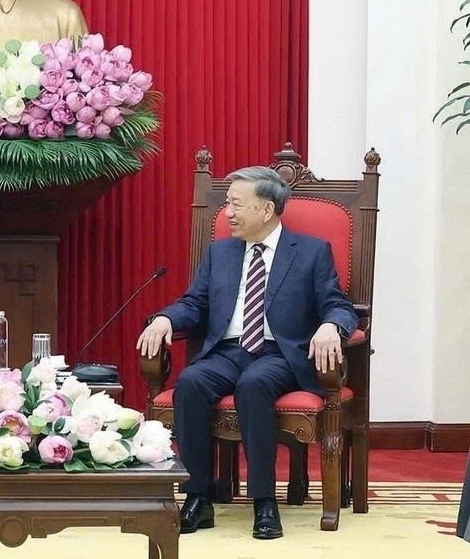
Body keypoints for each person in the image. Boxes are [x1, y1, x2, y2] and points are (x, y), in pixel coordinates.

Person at [136, 166, 356, 540]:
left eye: (236, 205)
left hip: (279, 354)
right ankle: (198, 497)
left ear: (267, 209)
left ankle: (264, 502)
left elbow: (339, 305)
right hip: (227, 351)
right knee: (190, 381)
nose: (228, 214)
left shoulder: (310, 252)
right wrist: (164, 319)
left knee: (254, 385)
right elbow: (194, 303)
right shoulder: (220, 253)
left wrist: (330, 326)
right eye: (226, 204)